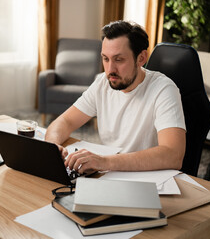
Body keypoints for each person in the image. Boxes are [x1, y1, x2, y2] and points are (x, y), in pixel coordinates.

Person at [45, 20, 186, 174]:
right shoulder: (102, 83)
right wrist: (52, 147)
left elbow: (173, 155)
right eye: (106, 59)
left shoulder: (164, 89)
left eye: (119, 60)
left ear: (141, 58)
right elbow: (66, 121)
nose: (110, 69)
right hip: (110, 173)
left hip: (147, 179)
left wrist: (103, 161)